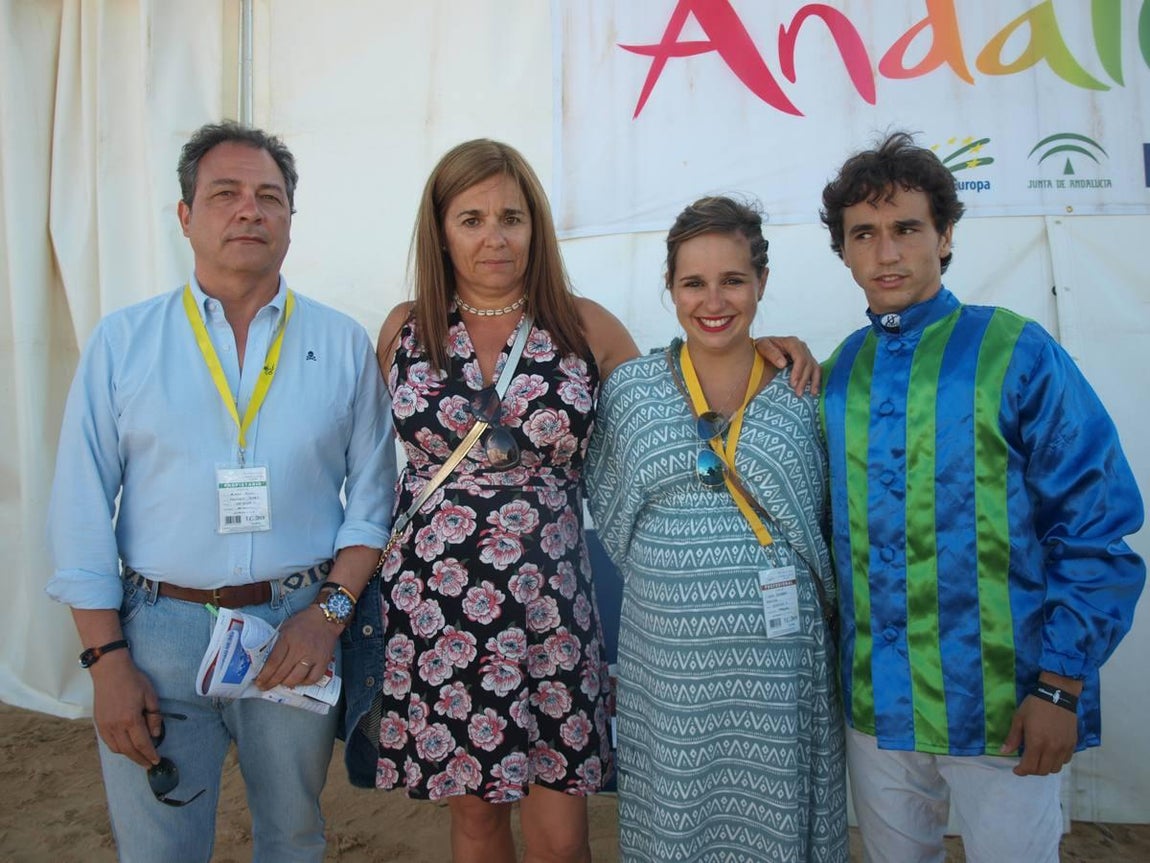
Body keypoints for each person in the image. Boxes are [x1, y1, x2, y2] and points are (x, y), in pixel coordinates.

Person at [340, 141, 819, 863]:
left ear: (537, 226)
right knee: (474, 820)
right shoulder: (406, 328)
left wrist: (761, 345)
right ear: (440, 229)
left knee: (562, 835)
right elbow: (369, 467)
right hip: (438, 610)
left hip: (553, 609)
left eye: (511, 216)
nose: (494, 236)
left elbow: (677, 395)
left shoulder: (584, 325)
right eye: (470, 218)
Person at [46, 121, 396, 863]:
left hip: (296, 633)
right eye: (226, 193)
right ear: (185, 215)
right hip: (156, 633)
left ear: (291, 222)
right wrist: (106, 660)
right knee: (158, 849)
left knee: (293, 839)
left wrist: (327, 618)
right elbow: (79, 507)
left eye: (270, 196)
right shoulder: (123, 342)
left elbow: (372, 500)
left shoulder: (339, 345)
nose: (250, 210)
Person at [818, 131, 1146, 863]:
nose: (887, 252)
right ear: (844, 252)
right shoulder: (839, 372)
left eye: (906, 228)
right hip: (878, 711)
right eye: (863, 234)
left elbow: (1095, 528)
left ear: (945, 235)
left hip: (1005, 706)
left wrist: (1060, 686)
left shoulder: (1016, 351)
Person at [586, 196, 848, 862]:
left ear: (761, 282)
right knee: (677, 820)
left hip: (781, 667)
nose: (714, 299)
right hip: (666, 669)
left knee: (776, 827)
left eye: (733, 279)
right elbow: (612, 517)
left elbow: (830, 525)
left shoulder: (804, 390)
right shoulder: (631, 392)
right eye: (693, 282)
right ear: (671, 289)